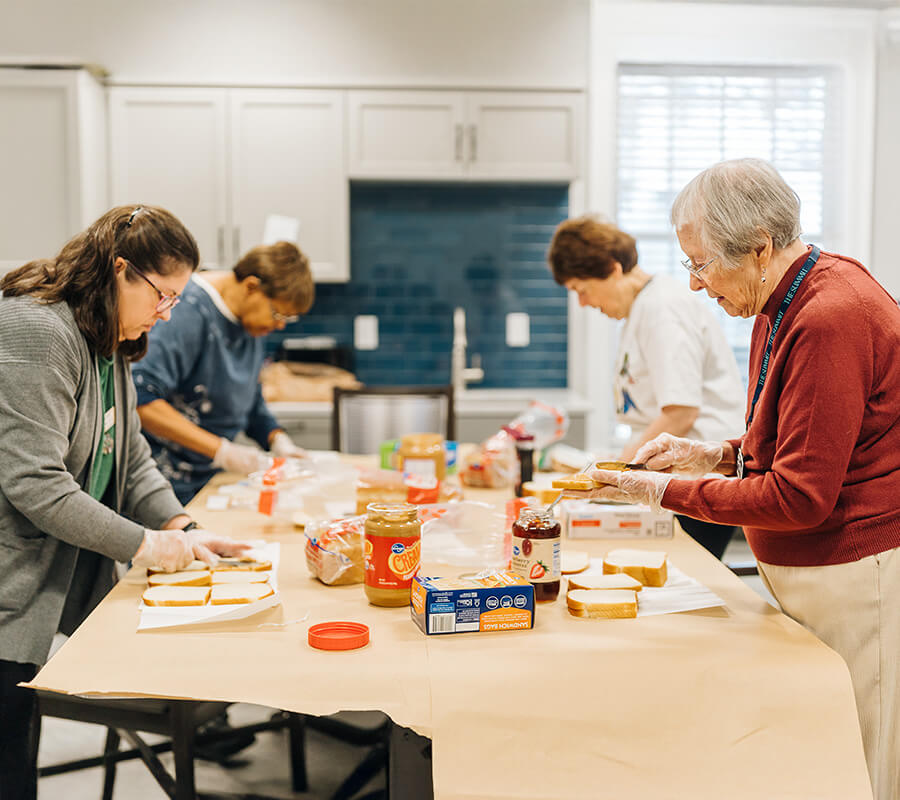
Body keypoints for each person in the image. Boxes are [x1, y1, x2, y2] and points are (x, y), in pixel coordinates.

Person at [575, 159, 900, 800]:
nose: (695, 285)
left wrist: (659, 491)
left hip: (858, 575)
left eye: (701, 265)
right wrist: (711, 455)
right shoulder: (777, 302)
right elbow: (794, 440)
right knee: (825, 751)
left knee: (864, 760)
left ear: (758, 250)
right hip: (817, 573)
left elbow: (800, 496)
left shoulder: (831, 315)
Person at [0, 205, 250, 799]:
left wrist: (181, 524)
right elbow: (35, 481)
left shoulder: (109, 339)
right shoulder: (38, 330)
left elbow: (130, 457)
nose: (166, 314)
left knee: (15, 755)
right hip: (6, 587)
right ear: (120, 271)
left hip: (31, 587)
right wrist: (145, 544)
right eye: (162, 296)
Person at [547, 216, 745, 558]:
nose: (583, 303)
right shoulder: (642, 309)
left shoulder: (661, 308)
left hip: (699, 481)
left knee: (685, 582)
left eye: (582, 290)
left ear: (612, 269)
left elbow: (680, 412)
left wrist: (618, 474)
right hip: (677, 476)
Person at [132, 241, 314, 505]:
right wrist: (223, 451)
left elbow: (247, 397)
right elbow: (141, 399)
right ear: (251, 287)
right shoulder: (189, 312)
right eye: (277, 314)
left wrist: (276, 438)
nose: (279, 325)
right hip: (165, 487)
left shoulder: (249, 323)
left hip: (209, 481)